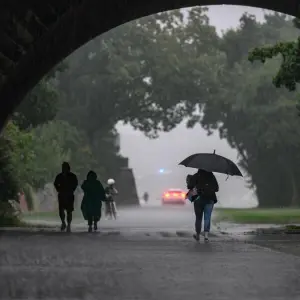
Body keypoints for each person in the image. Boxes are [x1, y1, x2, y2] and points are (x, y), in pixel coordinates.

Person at [187, 169, 219, 242]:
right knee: (207, 217)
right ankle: (206, 236)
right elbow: (216, 189)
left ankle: (197, 234)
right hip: (210, 199)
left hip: (198, 199)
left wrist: (193, 182)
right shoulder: (212, 176)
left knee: (198, 218)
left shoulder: (196, 176)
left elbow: (189, 186)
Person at [54, 162, 78, 232]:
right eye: (63, 168)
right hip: (62, 194)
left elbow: (75, 183)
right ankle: (63, 222)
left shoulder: (72, 176)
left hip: (69, 195)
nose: (63, 169)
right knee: (61, 210)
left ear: (68, 168)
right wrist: (58, 189)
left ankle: (69, 224)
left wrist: (72, 189)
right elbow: (55, 183)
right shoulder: (59, 176)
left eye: (65, 167)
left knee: (69, 211)